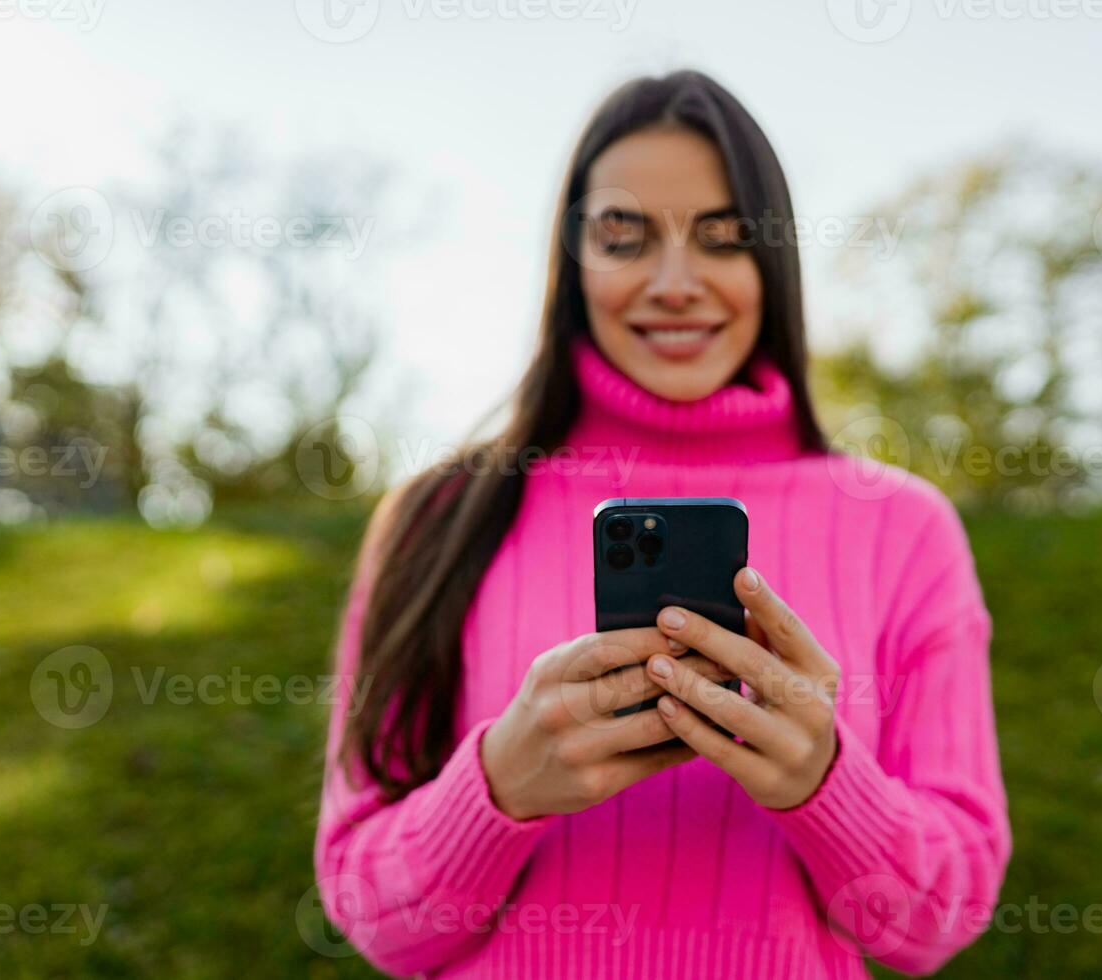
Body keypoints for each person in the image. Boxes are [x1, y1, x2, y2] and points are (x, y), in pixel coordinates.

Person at [314, 69, 1009, 979]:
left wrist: (825, 785)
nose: (675, 283)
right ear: (572, 265)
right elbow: (373, 916)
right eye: (625, 237)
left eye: (722, 239)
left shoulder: (903, 528)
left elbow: (938, 921)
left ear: (773, 263)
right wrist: (498, 789)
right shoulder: (436, 519)